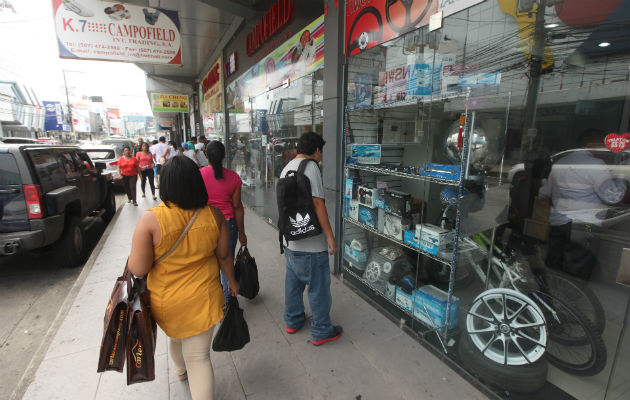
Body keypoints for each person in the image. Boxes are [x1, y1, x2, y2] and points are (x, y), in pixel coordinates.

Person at [128, 155, 239, 400]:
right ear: (196, 183)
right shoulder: (214, 215)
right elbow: (224, 256)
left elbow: (137, 269)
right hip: (205, 298)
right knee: (199, 357)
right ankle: (186, 373)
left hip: (168, 301)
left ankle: (179, 371)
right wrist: (231, 280)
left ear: (165, 184)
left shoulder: (150, 220)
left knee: (177, 336)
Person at [279, 131, 342, 346]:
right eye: (321, 151)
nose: (321, 155)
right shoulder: (311, 167)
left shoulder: (286, 167)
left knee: (293, 284)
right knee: (318, 289)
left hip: (290, 241)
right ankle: (322, 330)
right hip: (312, 245)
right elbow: (318, 204)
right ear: (316, 150)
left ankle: (293, 321)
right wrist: (331, 238)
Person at [538, 128, 626, 280]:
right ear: (591, 144)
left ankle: (548, 297)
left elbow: (546, 192)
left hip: (558, 222)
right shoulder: (596, 165)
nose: (604, 148)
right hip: (583, 224)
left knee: (554, 265)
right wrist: (621, 176)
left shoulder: (561, 162)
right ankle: (568, 301)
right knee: (576, 270)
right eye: (601, 143)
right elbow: (612, 196)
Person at [200, 141, 247, 304]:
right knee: (227, 263)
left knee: (209, 264)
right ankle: (227, 303)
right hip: (228, 225)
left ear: (206, 156)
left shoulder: (199, 175)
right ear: (224, 156)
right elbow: (237, 207)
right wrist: (242, 232)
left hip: (205, 225)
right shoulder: (234, 177)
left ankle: (215, 300)